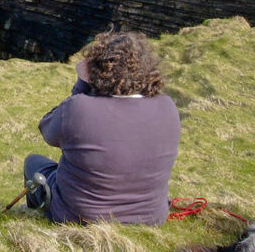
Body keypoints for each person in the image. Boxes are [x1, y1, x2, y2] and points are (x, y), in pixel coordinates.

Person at [23, 31, 180, 225]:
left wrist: (81, 84)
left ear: (97, 68)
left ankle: (34, 217)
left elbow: (46, 129)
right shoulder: (168, 106)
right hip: (151, 217)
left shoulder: (78, 108)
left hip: (79, 216)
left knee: (33, 163)